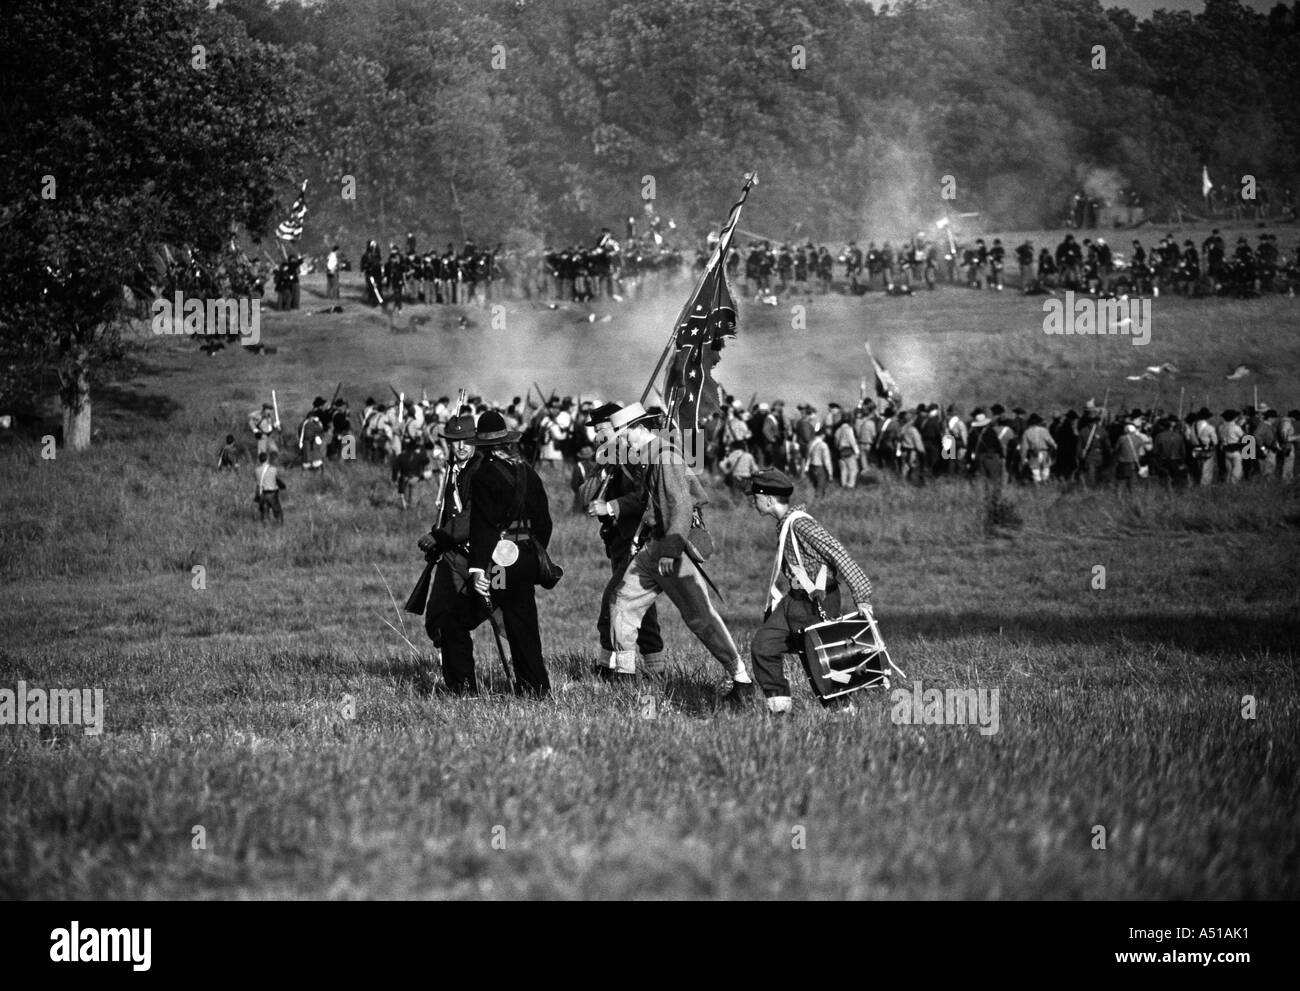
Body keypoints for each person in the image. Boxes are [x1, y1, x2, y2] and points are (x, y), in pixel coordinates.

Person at [603, 403, 755, 702]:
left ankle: (742, 681)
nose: (620, 442)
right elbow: (650, 504)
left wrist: (671, 551)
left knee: (699, 618)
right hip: (653, 546)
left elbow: (682, 507)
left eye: (623, 435)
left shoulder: (665, 458)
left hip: (670, 548)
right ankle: (625, 677)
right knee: (622, 602)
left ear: (641, 429)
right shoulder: (649, 458)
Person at [438, 410, 554, 697]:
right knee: (523, 627)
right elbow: (545, 523)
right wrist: (530, 552)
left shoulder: (484, 475)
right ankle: (536, 692)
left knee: (454, 622)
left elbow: (484, 528)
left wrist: (478, 570)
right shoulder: (528, 471)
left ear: (482, 445)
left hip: (498, 564)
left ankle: (463, 691)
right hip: (526, 558)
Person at [746, 468, 877, 715]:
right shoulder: (785, 524)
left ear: (769, 499)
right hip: (793, 602)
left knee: (821, 666)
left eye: (755, 496)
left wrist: (862, 595)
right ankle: (780, 712)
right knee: (763, 646)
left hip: (817, 601)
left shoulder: (801, 524)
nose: (753, 501)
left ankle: (845, 715)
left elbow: (836, 551)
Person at [583, 402, 664, 679]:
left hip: (637, 541)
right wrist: (601, 468)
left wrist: (612, 506)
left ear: (617, 428)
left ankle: (610, 667)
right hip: (618, 542)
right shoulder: (608, 458)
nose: (597, 436)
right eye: (596, 431)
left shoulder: (635, 456)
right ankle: (656, 669)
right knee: (642, 609)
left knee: (614, 601)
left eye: (602, 429)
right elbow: (586, 497)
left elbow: (646, 498)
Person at [254, 452, 285, 524]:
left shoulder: (256, 470)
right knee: (277, 512)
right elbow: (277, 479)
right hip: (272, 493)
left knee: (264, 513)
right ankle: (279, 528)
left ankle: (265, 529)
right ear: (267, 459)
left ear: (259, 460)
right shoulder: (273, 469)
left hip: (262, 494)